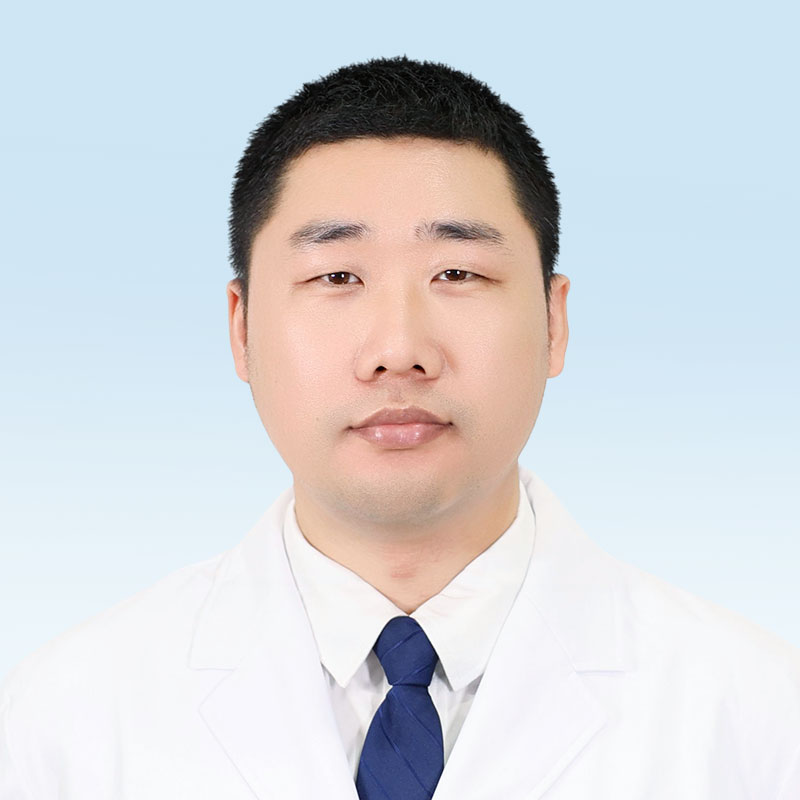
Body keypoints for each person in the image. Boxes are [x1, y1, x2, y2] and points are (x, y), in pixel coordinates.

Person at [1, 56, 798, 800]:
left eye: (458, 273)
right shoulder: (61, 723)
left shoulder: (760, 717)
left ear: (554, 323)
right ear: (241, 330)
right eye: (336, 276)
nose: (398, 350)